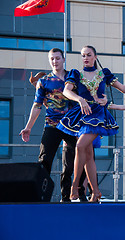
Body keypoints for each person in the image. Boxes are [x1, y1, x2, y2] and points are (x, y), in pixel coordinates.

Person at [57, 45, 125, 202]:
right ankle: (96, 192)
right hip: (83, 113)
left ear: (95, 56)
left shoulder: (104, 73)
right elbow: (66, 91)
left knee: (80, 146)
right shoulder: (76, 74)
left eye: (88, 55)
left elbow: (122, 88)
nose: (85, 58)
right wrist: (79, 99)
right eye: (83, 55)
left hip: (98, 115)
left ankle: (75, 186)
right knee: (87, 156)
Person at [19, 48, 81, 202]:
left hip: (71, 126)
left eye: (58, 58)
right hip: (52, 125)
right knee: (44, 160)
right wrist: (28, 127)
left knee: (71, 162)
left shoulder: (72, 78)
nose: (55, 61)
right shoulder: (44, 81)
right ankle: (40, 196)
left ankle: (67, 196)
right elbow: (37, 106)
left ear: (63, 59)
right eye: (52, 59)